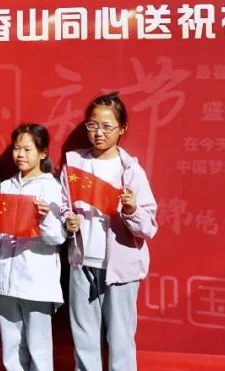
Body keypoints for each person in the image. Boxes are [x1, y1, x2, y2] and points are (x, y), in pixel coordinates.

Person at [62, 93, 157, 371]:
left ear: (122, 128)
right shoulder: (74, 165)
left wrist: (131, 210)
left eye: (107, 127)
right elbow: (63, 206)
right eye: (92, 125)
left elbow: (148, 227)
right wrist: (67, 221)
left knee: (121, 339)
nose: (98, 133)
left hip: (121, 269)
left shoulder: (131, 171)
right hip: (82, 263)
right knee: (84, 338)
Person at [0, 124, 65, 371]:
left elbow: (57, 237)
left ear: (43, 152)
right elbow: (0, 231)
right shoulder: (6, 186)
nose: (20, 155)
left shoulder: (52, 187)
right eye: (17, 148)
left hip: (37, 281)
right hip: (6, 278)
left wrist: (45, 218)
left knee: (39, 347)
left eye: (27, 149)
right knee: (11, 345)